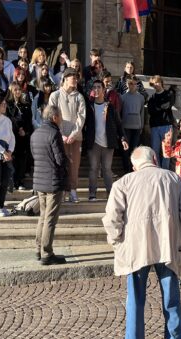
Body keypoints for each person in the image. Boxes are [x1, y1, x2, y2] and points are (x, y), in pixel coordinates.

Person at [102, 146, 181, 339]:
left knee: (135, 297)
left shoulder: (123, 183)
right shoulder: (173, 179)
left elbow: (112, 218)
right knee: (171, 295)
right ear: (154, 158)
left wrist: (116, 241)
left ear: (135, 165)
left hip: (136, 247)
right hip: (167, 244)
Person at [30, 105, 69, 265]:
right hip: (53, 181)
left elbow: (35, 156)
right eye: (60, 116)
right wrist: (68, 160)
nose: (61, 119)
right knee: (50, 218)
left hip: (40, 180)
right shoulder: (54, 133)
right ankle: (47, 253)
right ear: (54, 117)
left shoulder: (35, 134)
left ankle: (38, 249)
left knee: (43, 216)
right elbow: (60, 160)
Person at [83, 80, 129, 201]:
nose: (96, 89)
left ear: (104, 90)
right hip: (94, 143)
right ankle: (92, 194)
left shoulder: (110, 106)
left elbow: (119, 125)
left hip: (108, 143)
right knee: (93, 168)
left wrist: (123, 138)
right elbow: (84, 124)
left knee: (107, 169)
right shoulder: (89, 106)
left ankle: (111, 194)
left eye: (99, 87)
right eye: (94, 87)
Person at [48, 68, 86, 203]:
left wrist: (73, 135)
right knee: (60, 164)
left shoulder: (79, 97)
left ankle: (73, 191)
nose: (75, 80)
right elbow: (51, 116)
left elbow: (81, 118)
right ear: (64, 78)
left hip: (76, 138)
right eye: (72, 77)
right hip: (59, 137)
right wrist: (61, 135)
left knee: (74, 165)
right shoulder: (55, 96)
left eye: (76, 77)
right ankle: (62, 191)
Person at [6, 82, 33, 190]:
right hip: (11, 135)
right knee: (13, 159)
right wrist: (17, 129)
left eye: (19, 90)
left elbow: (29, 121)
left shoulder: (26, 105)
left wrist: (25, 131)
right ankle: (12, 181)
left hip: (23, 137)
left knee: (22, 159)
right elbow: (8, 119)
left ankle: (20, 181)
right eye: (15, 90)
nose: (18, 92)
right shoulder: (7, 104)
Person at [147, 75, 175, 169]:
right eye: (154, 83)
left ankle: (165, 171)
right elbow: (150, 111)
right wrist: (159, 108)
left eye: (157, 82)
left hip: (166, 125)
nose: (156, 85)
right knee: (155, 151)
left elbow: (167, 106)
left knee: (166, 151)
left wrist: (156, 108)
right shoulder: (152, 98)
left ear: (161, 82)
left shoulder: (169, 94)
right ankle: (157, 170)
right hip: (155, 126)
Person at [120, 75, 145, 173]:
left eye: (134, 84)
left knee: (134, 150)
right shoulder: (123, 97)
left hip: (137, 127)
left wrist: (142, 125)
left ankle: (133, 169)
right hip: (126, 126)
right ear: (127, 84)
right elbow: (120, 113)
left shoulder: (141, 98)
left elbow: (142, 112)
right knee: (126, 150)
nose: (133, 86)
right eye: (130, 83)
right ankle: (126, 170)